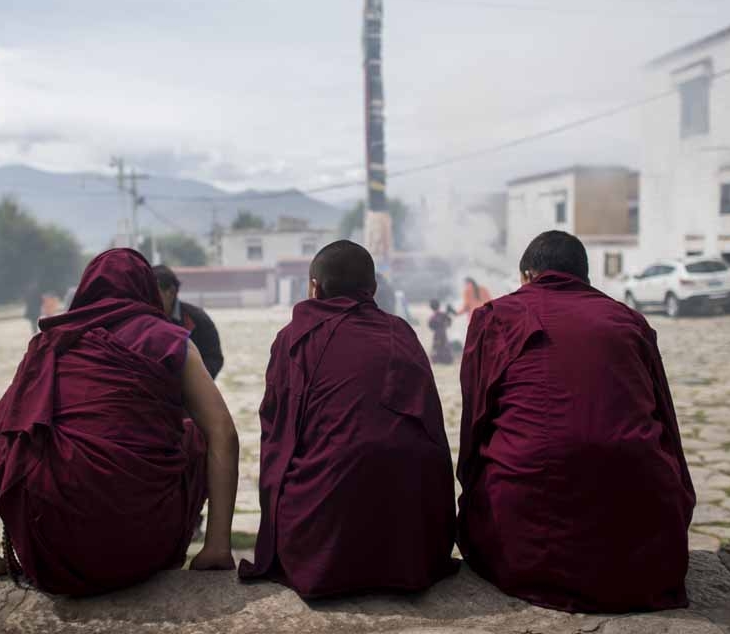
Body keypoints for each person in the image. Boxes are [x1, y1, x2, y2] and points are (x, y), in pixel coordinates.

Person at [0, 249, 240, 595]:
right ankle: (212, 545)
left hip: (53, 553)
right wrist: (219, 547)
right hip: (144, 547)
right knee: (196, 436)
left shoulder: (50, 345)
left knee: (9, 433)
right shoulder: (169, 339)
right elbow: (224, 435)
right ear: (147, 289)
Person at [456, 230, 694, 613]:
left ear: (528, 277)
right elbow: (665, 420)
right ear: (584, 278)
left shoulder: (496, 317)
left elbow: (476, 421)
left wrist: (472, 490)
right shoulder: (628, 320)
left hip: (523, 538)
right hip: (642, 544)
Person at [239, 240, 457, 598]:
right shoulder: (401, 332)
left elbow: (277, 435)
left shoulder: (293, 337)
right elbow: (431, 428)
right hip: (410, 541)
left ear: (314, 287)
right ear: (372, 290)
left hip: (321, 541)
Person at [153, 265, 225, 379]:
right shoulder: (144, 320)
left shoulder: (198, 319)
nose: (148, 299)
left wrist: (191, 380)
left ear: (171, 292)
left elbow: (214, 359)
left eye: (153, 293)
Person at [427, 300, 454, 365]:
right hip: (443, 333)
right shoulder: (443, 314)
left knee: (437, 347)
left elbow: (431, 326)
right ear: (439, 306)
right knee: (444, 347)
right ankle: (445, 359)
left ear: (431, 308)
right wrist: (445, 325)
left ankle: (438, 359)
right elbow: (449, 321)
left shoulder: (432, 317)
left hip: (437, 334)